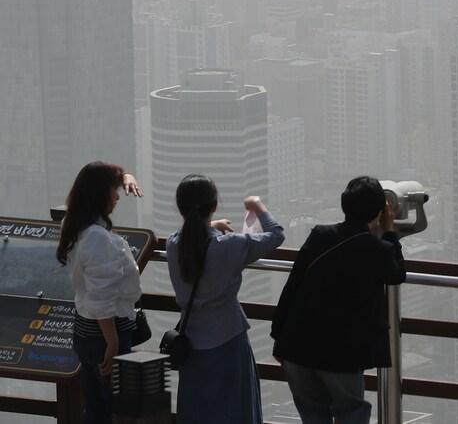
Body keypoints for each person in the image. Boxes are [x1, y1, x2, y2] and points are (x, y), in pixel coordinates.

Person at [272, 176, 407, 424]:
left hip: (297, 346)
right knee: (351, 414)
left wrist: (278, 336)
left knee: (313, 415)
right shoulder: (377, 250)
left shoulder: (319, 236)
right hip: (341, 356)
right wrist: (389, 232)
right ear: (380, 211)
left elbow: (292, 286)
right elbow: (397, 273)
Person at [166, 175, 285, 423]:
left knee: (199, 412)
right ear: (213, 206)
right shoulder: (228, 246)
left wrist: (208, 226)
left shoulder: (173, 244)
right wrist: (257, 205)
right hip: (228, 341)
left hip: (191, 345)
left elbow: (193, 238)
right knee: (234, 410)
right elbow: (276, 234)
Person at [55, 162, 145, 424]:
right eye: (113, 190)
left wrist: (125, 176)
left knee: (95, 408)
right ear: (99, 194)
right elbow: (101, 296)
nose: (117, 196)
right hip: (106, 333)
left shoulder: (73, 225)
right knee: (115, 412)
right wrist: (113, 343)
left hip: (85, 330)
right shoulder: (97, 238)